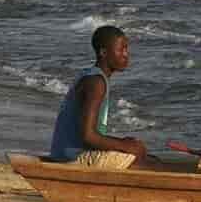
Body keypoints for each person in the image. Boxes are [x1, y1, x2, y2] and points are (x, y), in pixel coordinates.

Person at [48, 25, 156, 170]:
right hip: (72, 157)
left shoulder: (94, 76)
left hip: (66, 153)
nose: (126, 54)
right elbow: (88, 136)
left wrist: (123, 143)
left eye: (126, 49)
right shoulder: (96, 82)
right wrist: (124, 146)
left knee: (145, 156)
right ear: (104, 52)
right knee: (151, 164)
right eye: (121, 49)